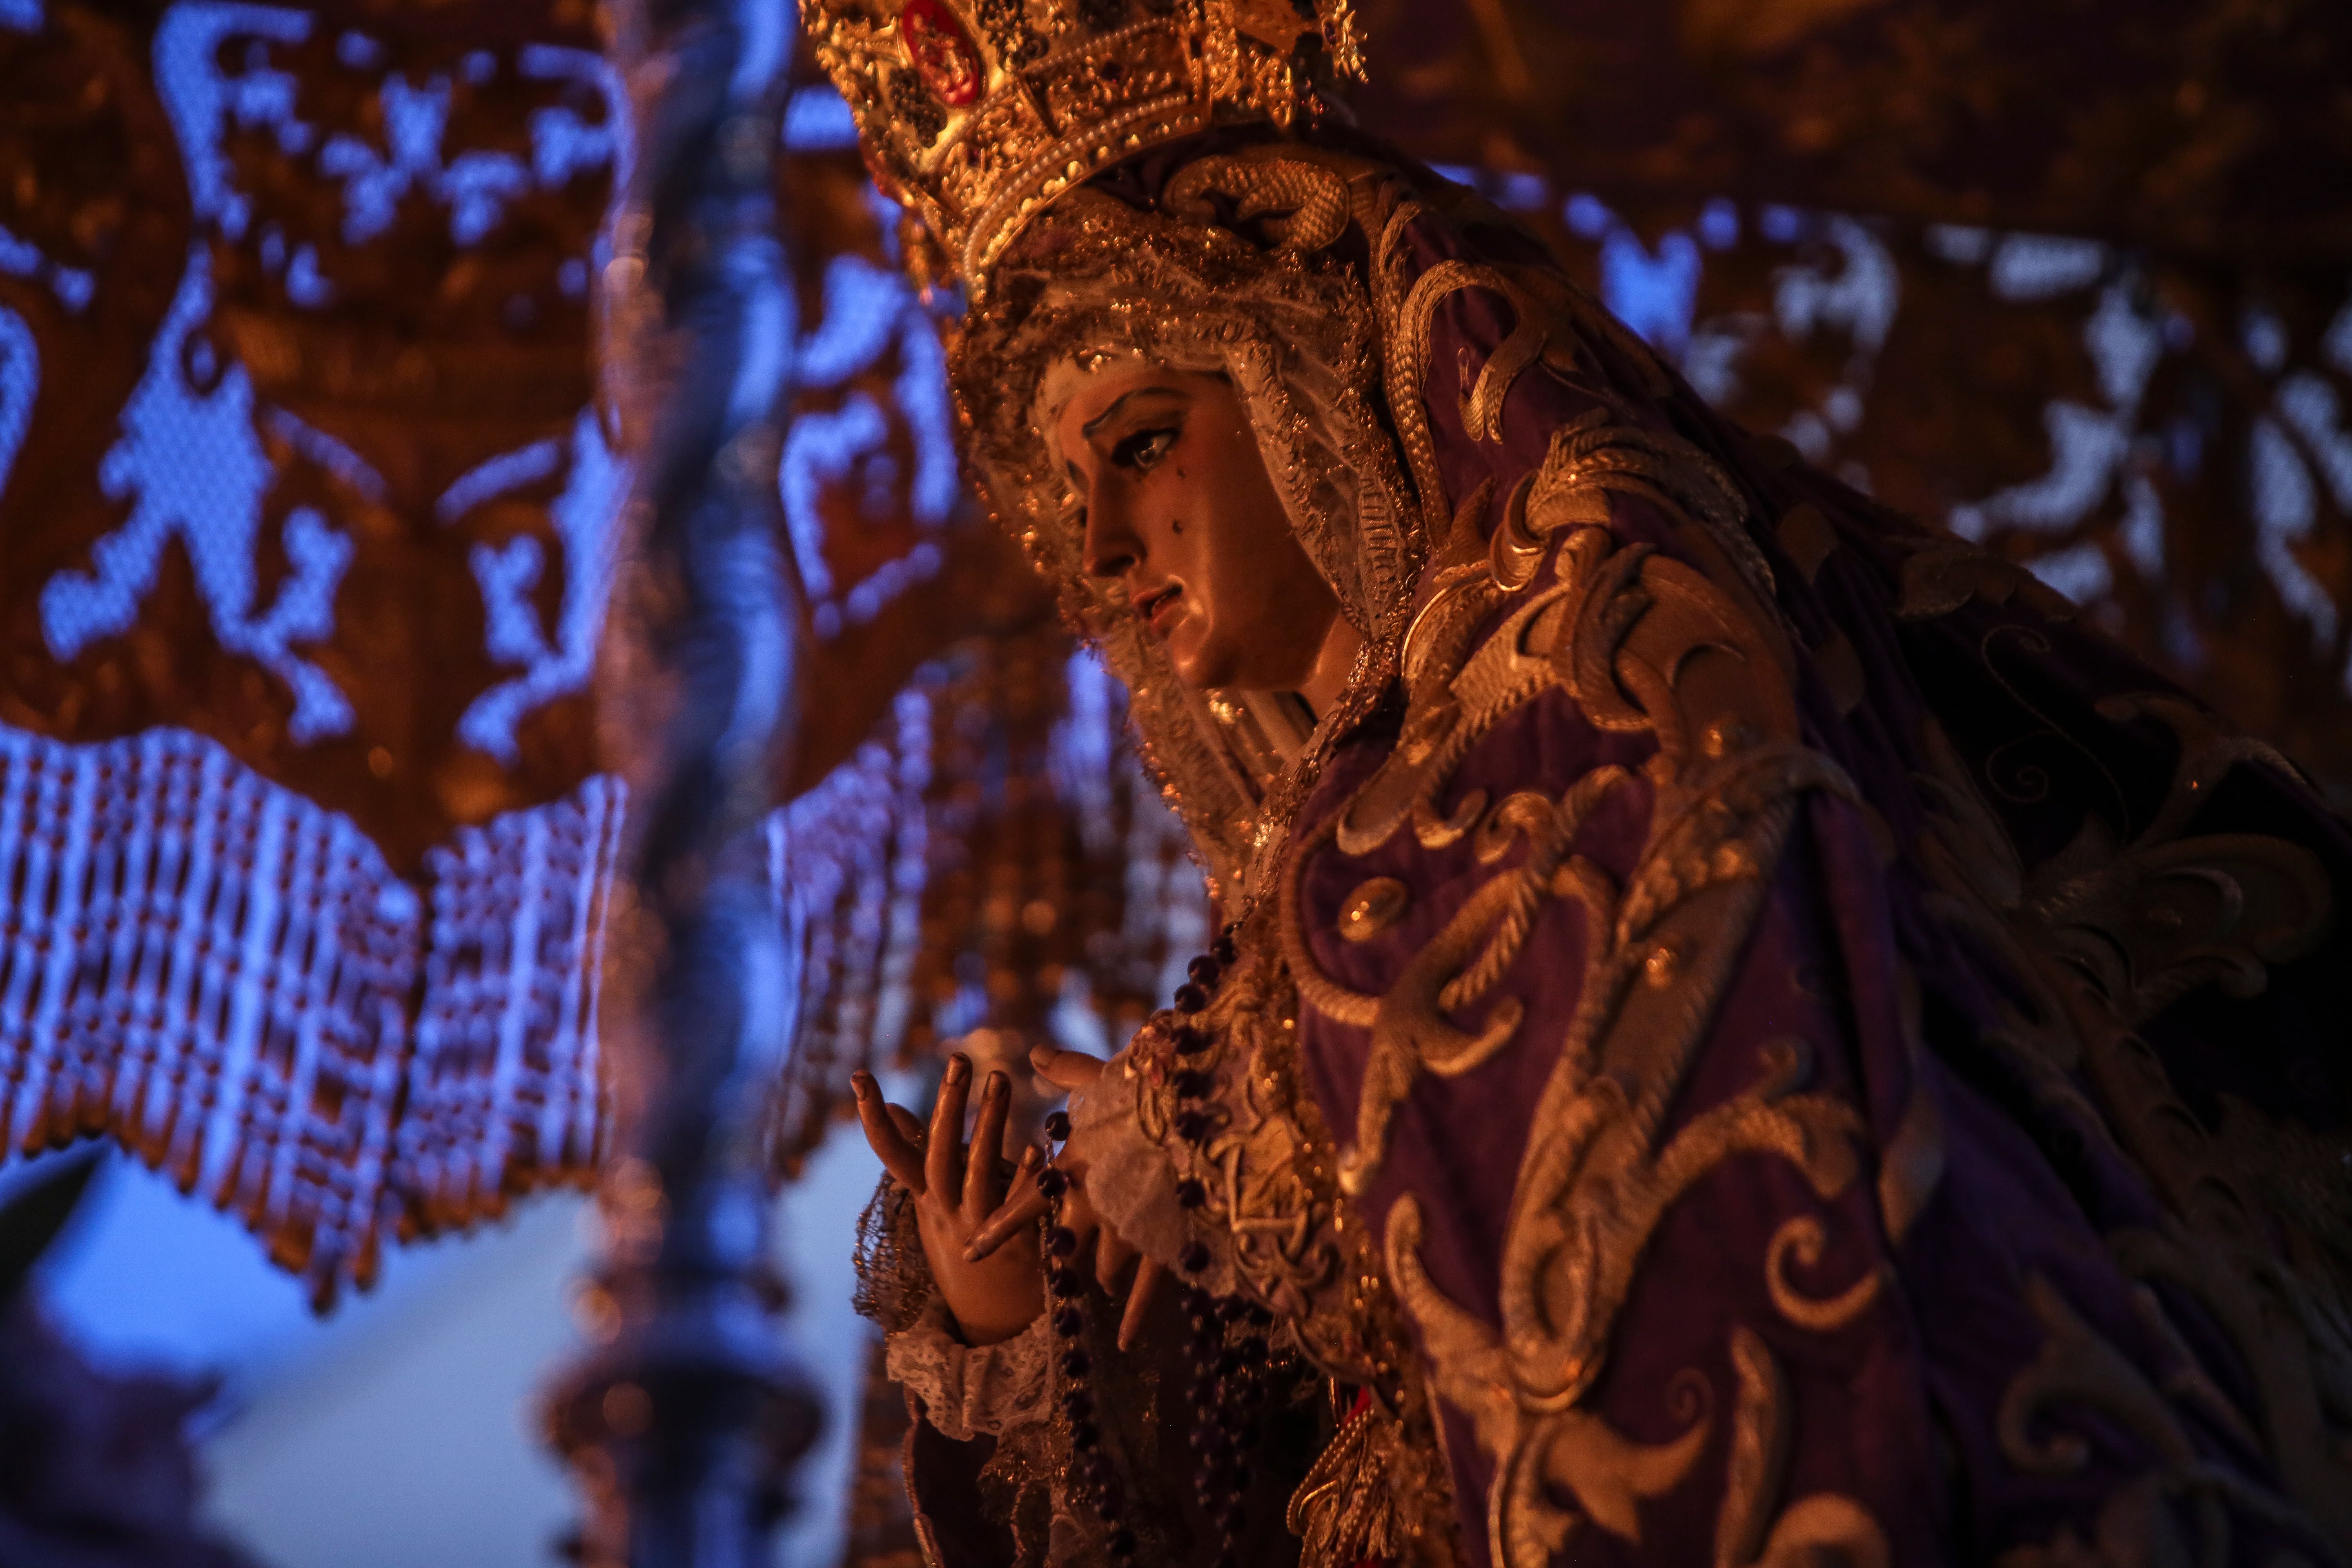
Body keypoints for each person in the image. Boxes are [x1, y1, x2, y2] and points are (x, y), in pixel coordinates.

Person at [808, 0, 2352, 1562]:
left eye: (1141, 445)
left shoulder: (1583, 686)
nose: (1097, 552)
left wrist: (1215, 1129)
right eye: (1066, 493)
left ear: (1304, 380)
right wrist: (1026, 1304)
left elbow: (1651, 1024)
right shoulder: (1307, 907)